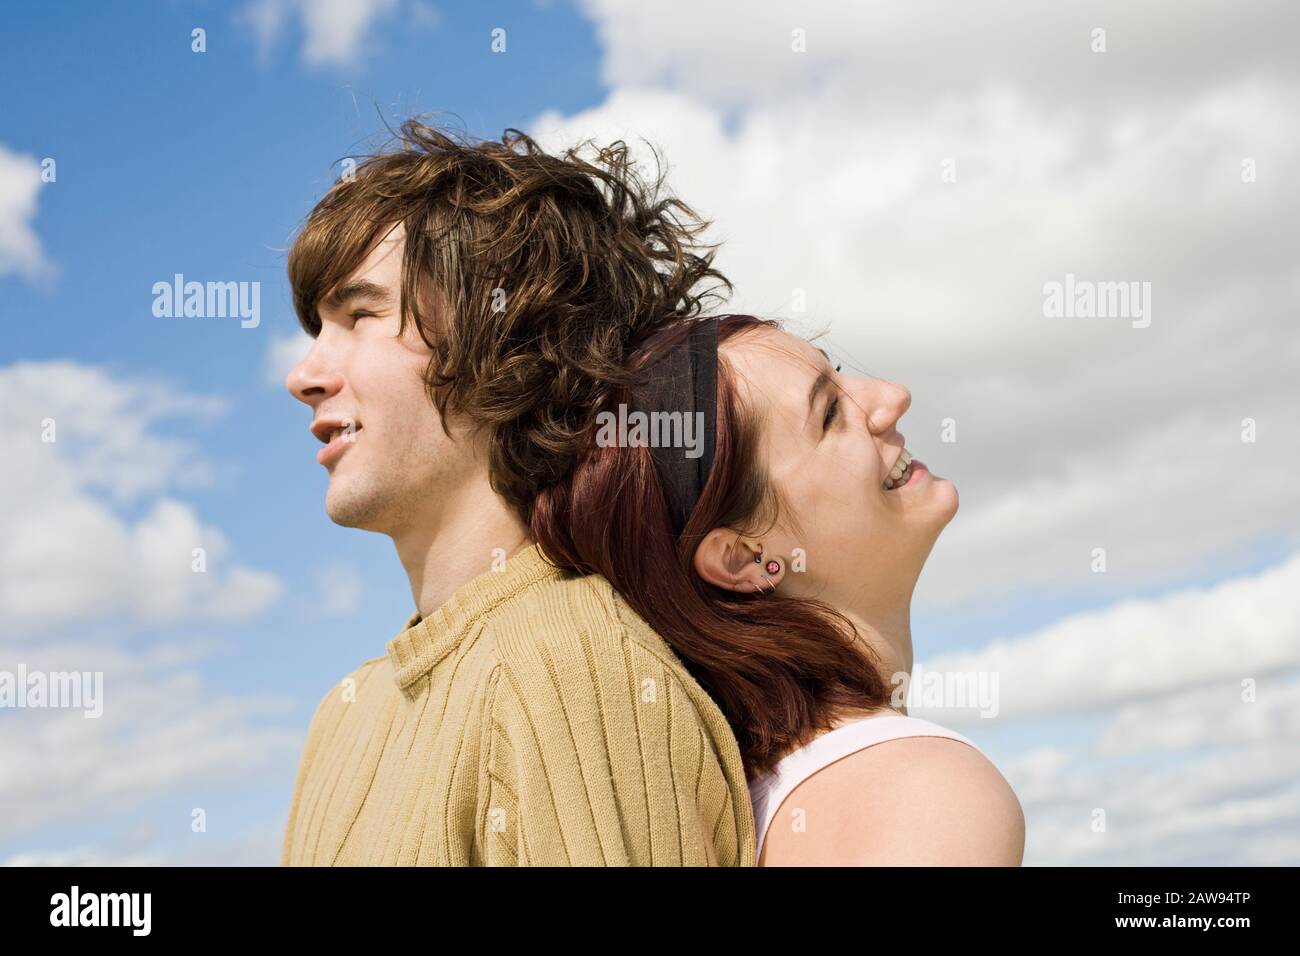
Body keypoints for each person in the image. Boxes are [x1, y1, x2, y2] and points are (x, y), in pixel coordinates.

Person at [280, 120, 755, 865]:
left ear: (510, 345)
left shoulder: (574, 671)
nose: (303, 374)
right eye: (318, 326)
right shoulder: (343, 717)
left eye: (360, 315)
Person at [532, 314, 1025, 865]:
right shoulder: (926, 796)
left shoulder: (754, 810)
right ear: (744, 557)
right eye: (830, 414)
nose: (892, 397)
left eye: (839, 375)